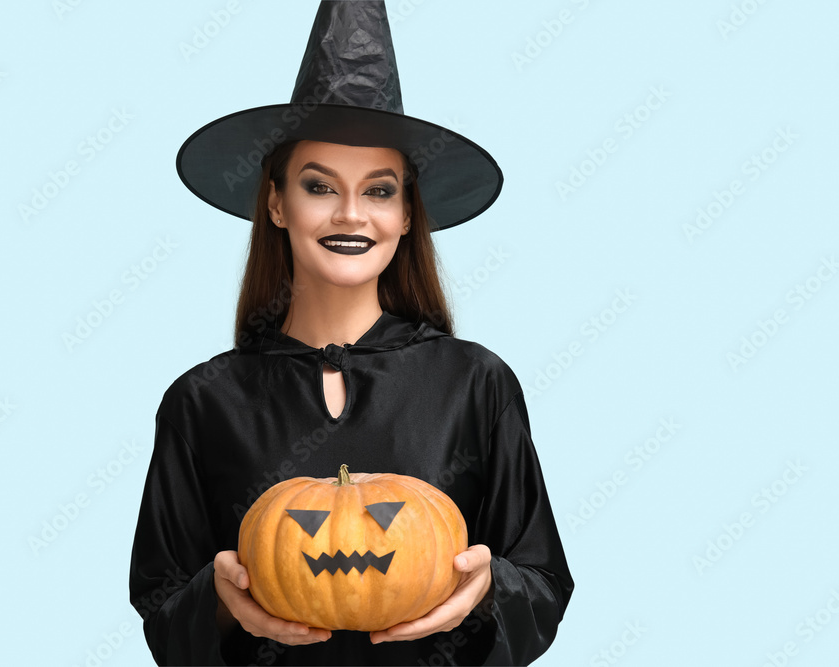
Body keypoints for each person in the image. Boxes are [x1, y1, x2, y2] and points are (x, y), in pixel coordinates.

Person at [129, 2, 574, 665]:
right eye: (319, 186)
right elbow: (163, 607)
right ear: (276, 202)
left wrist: (487, 587)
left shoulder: (476, 382)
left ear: (404, 213)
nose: (350, 214)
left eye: (379, 190)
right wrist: (222, 600)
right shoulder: (202, 398)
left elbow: (541, 582)